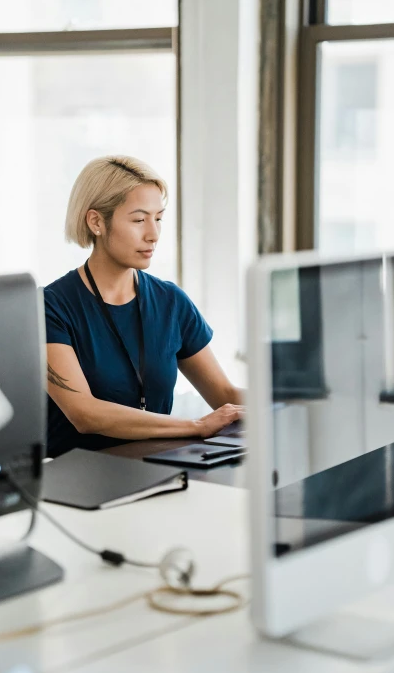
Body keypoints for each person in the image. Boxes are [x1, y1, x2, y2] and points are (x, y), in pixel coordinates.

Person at [44, 155, 244, 458]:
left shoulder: (171, 302)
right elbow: (84, 414)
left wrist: (291, 403)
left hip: (159, 471)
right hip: (80, 485)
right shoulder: (51, 307)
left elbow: (225, 395)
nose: (153, 234)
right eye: (139, 220)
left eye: (158, 218)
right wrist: (195, 426)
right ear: (96, 221)